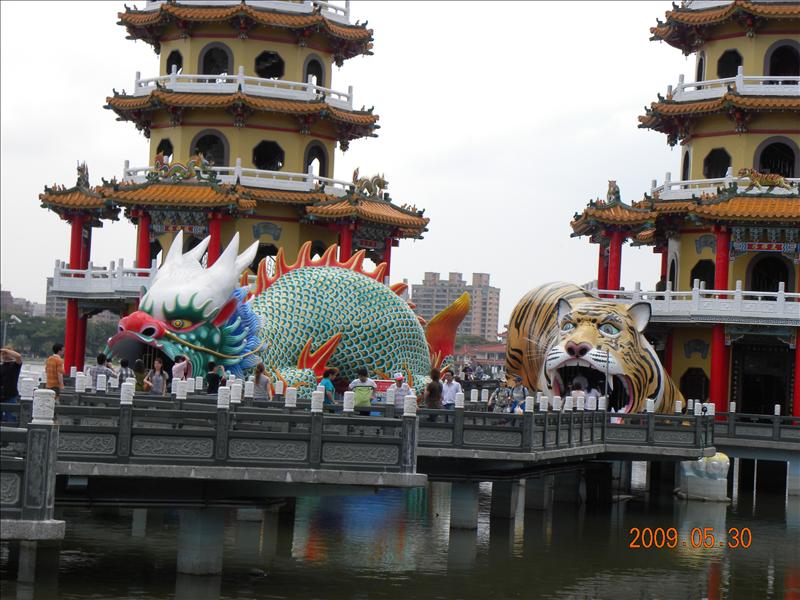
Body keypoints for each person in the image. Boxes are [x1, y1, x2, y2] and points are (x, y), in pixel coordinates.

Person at [0, 347, 22, 422]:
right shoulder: (1, 366)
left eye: (7, 354)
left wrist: (6, 350)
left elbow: (18, 356)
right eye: (3, 354)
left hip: (11, 396)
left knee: (11, 419)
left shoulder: (15, 365)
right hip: (1, 395)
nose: (4, 355)